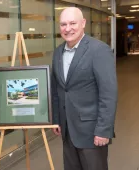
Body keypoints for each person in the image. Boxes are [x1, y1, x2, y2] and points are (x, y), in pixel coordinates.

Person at [51, 7, 117, 170]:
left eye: (73, 23)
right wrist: (57, 119)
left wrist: (103, 130)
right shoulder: (58, 52)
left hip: (92, 132)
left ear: (83, 24)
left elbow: (108, 93)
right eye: (63, 24)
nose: (68, 28)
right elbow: (57, 90)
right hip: (67, 131)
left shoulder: (98, 50)